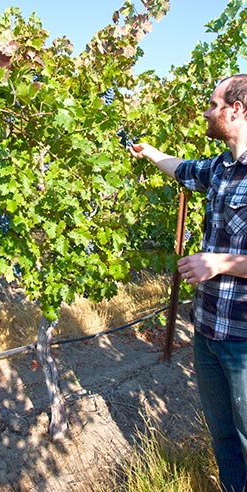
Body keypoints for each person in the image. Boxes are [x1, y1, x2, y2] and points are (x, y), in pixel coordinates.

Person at [130, 74, 247, 492]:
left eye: (213, 104)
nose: (207, 111)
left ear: (237, 109)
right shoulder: (219, 169)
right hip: (207, 329)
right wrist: (150, 153)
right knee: (224, 438)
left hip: (242, 338)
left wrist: (222, 263)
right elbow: (181, 169)